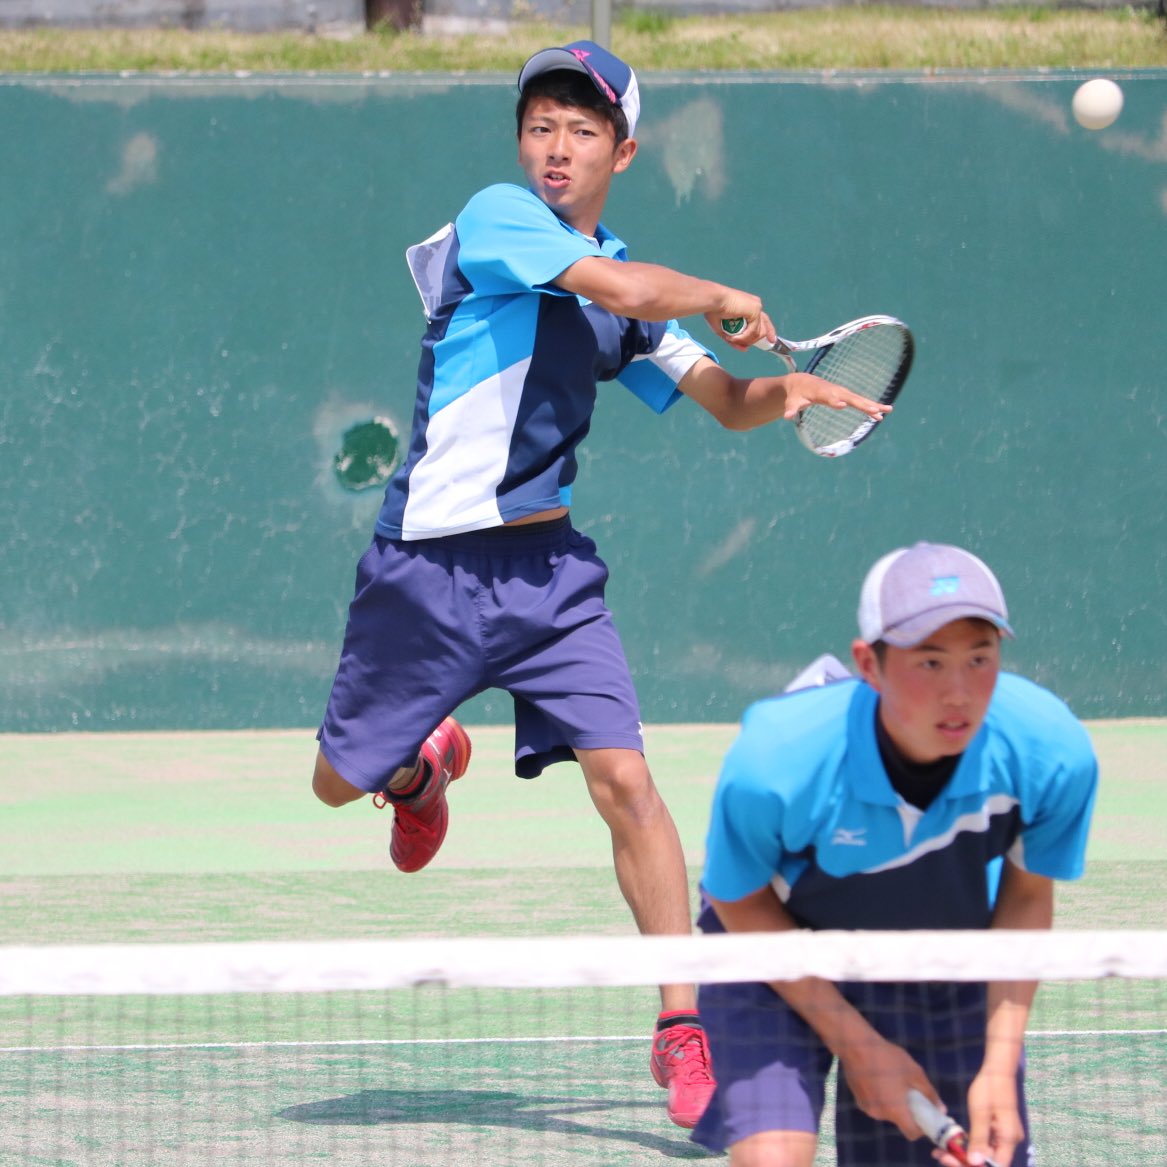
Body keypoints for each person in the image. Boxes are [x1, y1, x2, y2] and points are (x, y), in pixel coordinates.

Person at [310, 39, 888, 1130]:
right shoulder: (498, 218)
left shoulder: (631, 299)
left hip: (548, 574)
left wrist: (793, 391)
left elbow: (721, 395)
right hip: (428, 568)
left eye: (582, 130)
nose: (557, 148)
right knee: (337, 783)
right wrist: (714, 288)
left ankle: (683, 1022)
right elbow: (624, 283)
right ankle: (420, 768)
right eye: (541, 127)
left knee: (626, 782)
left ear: (624, 147)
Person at [691, 541, 1099, 1164]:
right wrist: (858, 1044)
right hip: (771, 948)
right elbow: (736, 899)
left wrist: (999, 1060)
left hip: (933, 951)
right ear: (869, 664)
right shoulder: (779, 760)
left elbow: (1025, 900)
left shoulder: (1048, 752)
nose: (959, 692)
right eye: (930, 663)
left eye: (980, 658)